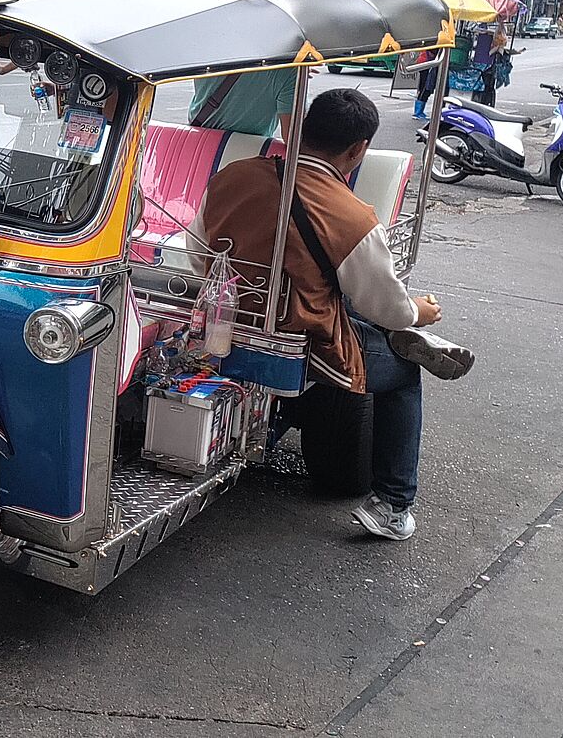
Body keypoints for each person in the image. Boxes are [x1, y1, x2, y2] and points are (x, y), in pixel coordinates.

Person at [191, 88, 451, 541]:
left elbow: (199, 256)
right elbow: (385, 306)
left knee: (347, 302)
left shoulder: (232, 176)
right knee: (407, 365)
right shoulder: (351, 215)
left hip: (226, 324)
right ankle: (392, 505)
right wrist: (419, 313)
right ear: (358, 150)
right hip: (306, 343)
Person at [187, 69, 296, 138]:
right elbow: (292, 137)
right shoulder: (287, 72)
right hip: (249, 157)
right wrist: (297, 75)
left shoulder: (207, 48)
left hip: (197, 143)